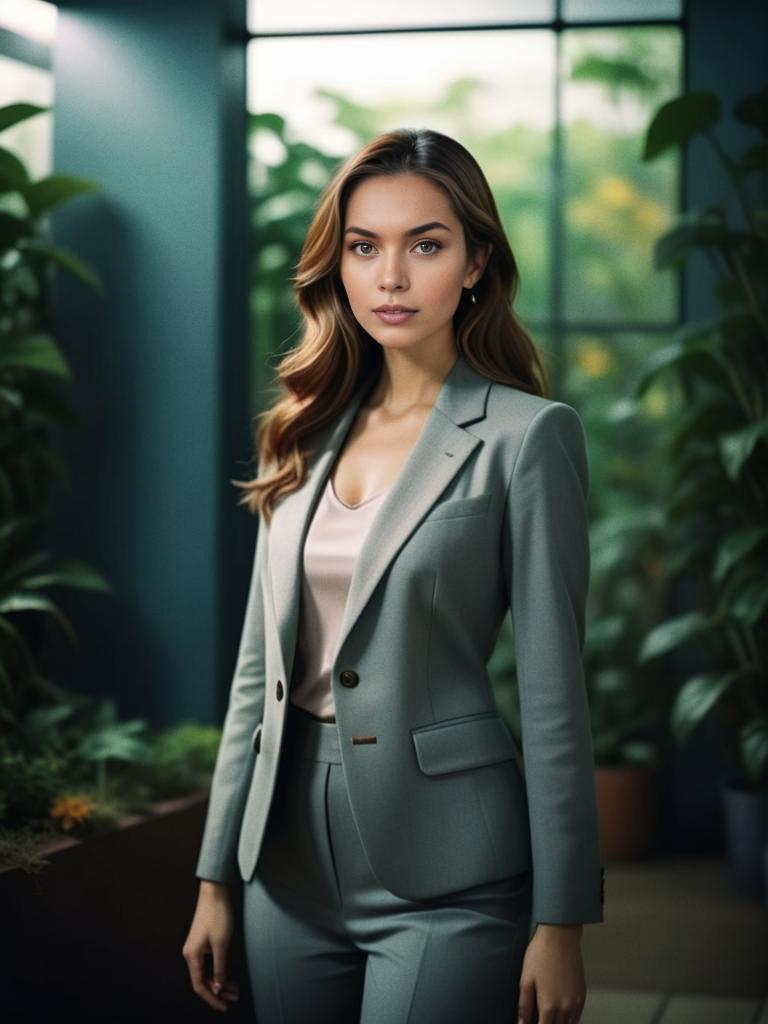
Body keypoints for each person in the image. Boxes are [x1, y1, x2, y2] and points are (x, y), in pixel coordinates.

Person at [182, 127, 604, 1024]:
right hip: (283, 863)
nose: (392, 278)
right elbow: (258, 678)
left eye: (427, 245)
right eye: (364, 247)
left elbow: (554, 692)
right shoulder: (297, 432)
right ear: (337, 267)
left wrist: (562, 919)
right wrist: (215, 874)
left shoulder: (527, 437)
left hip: (452, 870)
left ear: (477, 261)